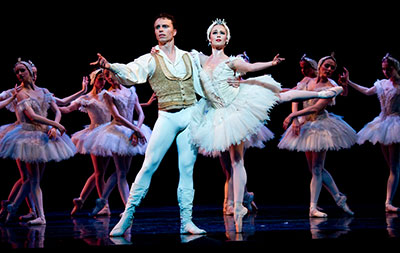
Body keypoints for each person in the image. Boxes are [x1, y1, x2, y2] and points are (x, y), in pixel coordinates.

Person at [189, 19, 344, 232]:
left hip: (236, 104)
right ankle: (238, 203)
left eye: (222, 33)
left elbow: (251, 67)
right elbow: (178, 59)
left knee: (278, 96)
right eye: (214, 32)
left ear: (227, 39)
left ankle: (320, 93)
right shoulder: (199, 58)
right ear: (208, 37)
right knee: (233, 161)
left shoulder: (232, 61)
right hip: (217, 112)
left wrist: (270, 64)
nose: (218, 35)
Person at [91, 13, 207, 236]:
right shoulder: (150, 58)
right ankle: (127, 217)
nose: (161, 30)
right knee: (149, 164)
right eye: (157, 27)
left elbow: (207, 73)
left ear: (174, 31)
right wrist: (111, 66)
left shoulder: (189, 57)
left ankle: (187, 221)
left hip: (191, 115)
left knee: (187, 168)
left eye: (165, 26)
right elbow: (132, 72)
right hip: (167, 117)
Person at [278, 54, 357, 218]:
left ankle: (313, 207)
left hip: (321, 127)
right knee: (316, 169)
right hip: (306, 125)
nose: (329, 69)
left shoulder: (331, 86)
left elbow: (315, 108)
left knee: (316, 168)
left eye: (332, 68)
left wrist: (294, 116)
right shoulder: (307, 81)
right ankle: (339, 198)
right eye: (326, 66)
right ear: (319, 66)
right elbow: (294, 95)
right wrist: (295, 119)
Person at [0, 59, 76, 225]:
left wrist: (55, 127)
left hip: (44, 136)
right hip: (28, 136)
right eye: (17, 72)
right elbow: (32, 116)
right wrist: (55, 124)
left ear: (29, 71)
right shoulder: (20, 93)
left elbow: (58, 109)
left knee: (34, 179)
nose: (20, 74)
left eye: (22, 71)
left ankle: (16, 207)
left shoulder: (43, 91)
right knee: (31, 179)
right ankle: (38, 215)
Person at [339, 53, 400, 212]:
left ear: (395, 67)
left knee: (394, 166)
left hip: (395, 123)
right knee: (391, 167)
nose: (385, 72)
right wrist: (348, 82)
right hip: (382, 124)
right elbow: (367, 91)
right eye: (383, 69)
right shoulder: (382, 83)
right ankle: (389, 200)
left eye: (388, 69)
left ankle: (388, 202)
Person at [87, 68, 151, 217]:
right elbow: (117, 116)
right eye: (107, 77)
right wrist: (135, 129)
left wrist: (137, 130)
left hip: (132, 130)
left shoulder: (130, 91)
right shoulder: (108, 94)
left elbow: (140, 113)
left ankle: (103, 200)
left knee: (122, 172)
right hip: (116, 132)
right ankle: (128, 208)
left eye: (111, 75)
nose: (109, 78)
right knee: (121, 172)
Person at [58, 69, 114, 216]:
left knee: (99, 172)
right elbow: (68, 108)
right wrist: (52, 105)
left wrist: (144, 104)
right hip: (95, 135)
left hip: (108, 134)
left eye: (104, 79)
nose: (102, 82)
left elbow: (124, 106)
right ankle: (104, 205)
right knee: (99, 172)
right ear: (94, 80)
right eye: (100, 79)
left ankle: (82, 199)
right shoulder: (87, 98)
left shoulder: (109, 94)